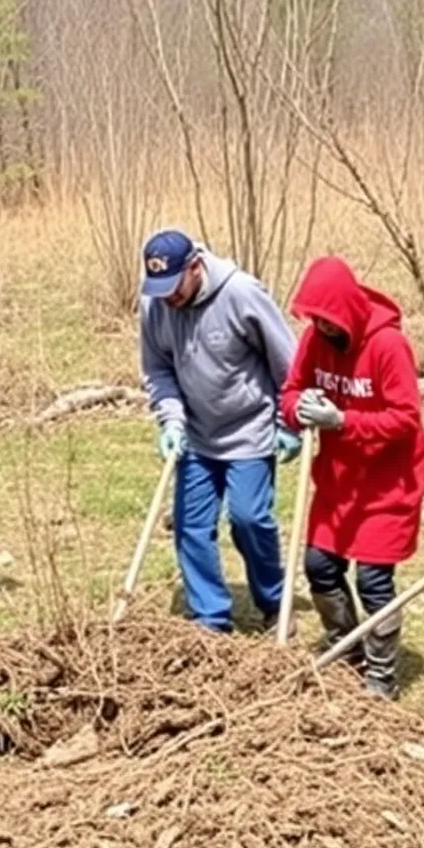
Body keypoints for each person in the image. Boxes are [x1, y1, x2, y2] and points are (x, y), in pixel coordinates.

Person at [280, 256, 424, 699]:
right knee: (319, 566)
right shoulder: (313, 339)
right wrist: (297, 410)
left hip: (387, 485)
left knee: (373, 581)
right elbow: (290, 391)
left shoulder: (387, 346)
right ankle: (346, 646)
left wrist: (343, 420)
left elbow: (405, 419)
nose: (321, 328)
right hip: (338, 484)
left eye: (328, 320)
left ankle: (381, 675)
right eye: (314, 320)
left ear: (345, 310)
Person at [139, 228, 300, 633]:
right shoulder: (155, 304)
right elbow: (157, 368)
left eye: (174, 288)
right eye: (159, 289)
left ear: (194, 267)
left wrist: (289, 421)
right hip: (195, 433)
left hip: (250, 427)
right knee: (191, 526)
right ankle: (211, 616)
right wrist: (170, 419)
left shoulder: (242, 293)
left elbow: (288, 361)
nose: (167, 299)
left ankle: (273, 601)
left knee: (248, 519)